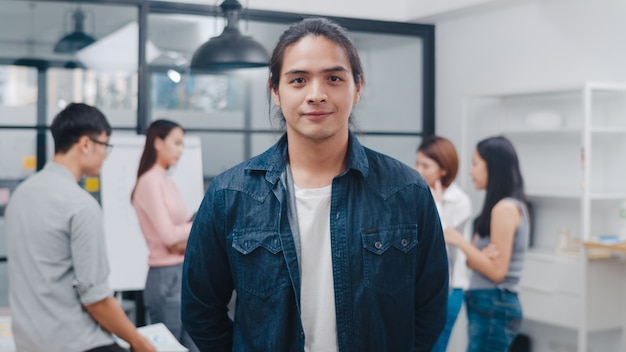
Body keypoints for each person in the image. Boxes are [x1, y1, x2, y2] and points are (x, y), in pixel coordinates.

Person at [181, 17, 448, 352]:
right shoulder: (229, 195)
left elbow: (430, 307)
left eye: (334, 78)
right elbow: (200, 311)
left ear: (358, 88)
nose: (316, 95)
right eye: (298, 80)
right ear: (275, 92)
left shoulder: (406, 190)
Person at [5, 103, 155, 352]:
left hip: (28, 342)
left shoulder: (20, 196)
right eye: (105, 145)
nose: (106, 155)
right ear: (85, 144)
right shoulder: (81, 205)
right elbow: (96, 300)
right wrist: (139, 342)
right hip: (77, 343)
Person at [443, 136, 530, 352]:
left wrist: (459, 240)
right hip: (489, 304)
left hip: (495, 303)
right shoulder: (495, 208)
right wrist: (479, 255)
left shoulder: (505, 209)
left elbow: (496, 271)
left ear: (493, 166)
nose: (471, 171)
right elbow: (475, 262)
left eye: (475, 163)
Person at [131, 119, 198, 352]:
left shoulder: (167, 183)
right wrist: (200, 225)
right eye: (177, 143)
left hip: (182, 271)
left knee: (193, 344)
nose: (180, 150)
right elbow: (170, 237)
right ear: (158, 143)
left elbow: (178, 235)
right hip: (165, 277)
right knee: (171, 347)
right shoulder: (149, 182)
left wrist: (187, 232)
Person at [415, 136, 472, 352]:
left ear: (444, 170)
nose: (418, 169)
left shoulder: (460, 201)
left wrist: (437, 203)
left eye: (425, 165)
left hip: (449, 290)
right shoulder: (419, 193)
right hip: (421, 288)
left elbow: (441, 237)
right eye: (417, 163)